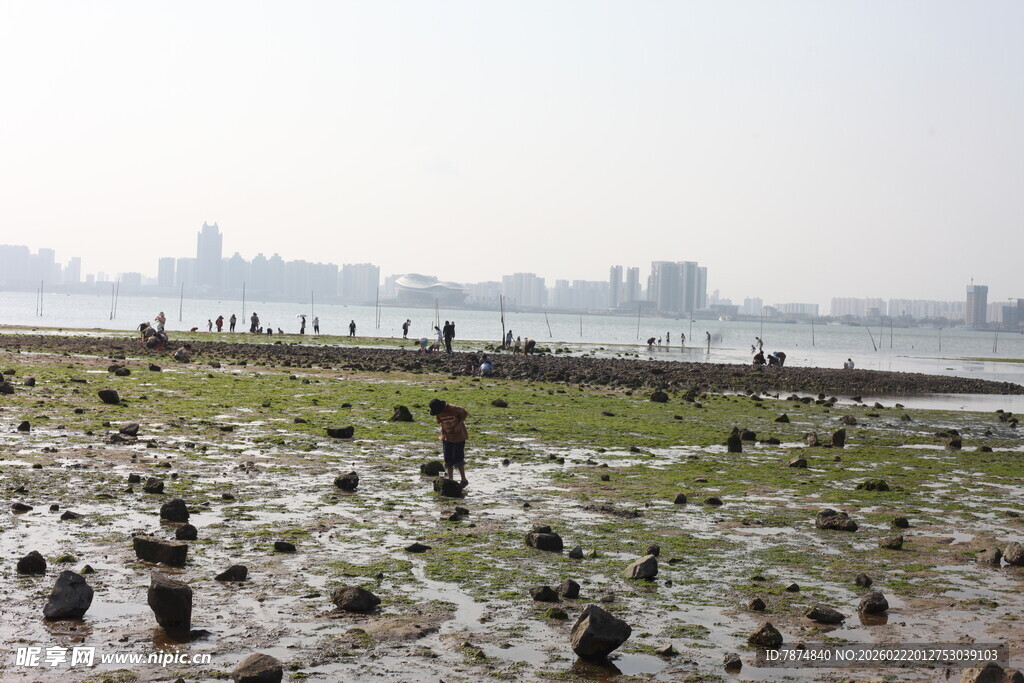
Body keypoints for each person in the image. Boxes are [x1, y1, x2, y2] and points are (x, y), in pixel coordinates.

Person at [430, 399, 469, 488]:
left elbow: (465, 413)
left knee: (458, 458)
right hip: (447, 437)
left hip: (459, 436)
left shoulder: (454, 409)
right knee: (448, 460)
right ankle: (450, 480)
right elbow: (440, 421)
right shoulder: (438, 413)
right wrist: (443, 430)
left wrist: (459, 424)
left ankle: (464, 479)